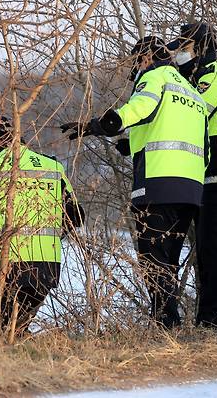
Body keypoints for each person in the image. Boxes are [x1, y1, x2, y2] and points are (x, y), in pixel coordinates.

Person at [61, 36, 208, 328]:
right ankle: (169, 319)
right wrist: (124, 141)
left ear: (146, 58)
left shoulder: (154, 78)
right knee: (169, 257)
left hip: (158, 182)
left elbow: (140, 108)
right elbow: (170, 129)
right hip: (191, 186)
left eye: (136, 62)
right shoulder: (192, 92)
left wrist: (101, 124)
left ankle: (165, 322)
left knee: (151, 256)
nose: (135, 68)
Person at [167, 23, 217, 327]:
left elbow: (192, 111)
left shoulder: (213, 76)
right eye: (177, 51)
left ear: (200, 48)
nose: (179, 56)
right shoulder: (198, 76)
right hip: (210, 178)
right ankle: (211, 317)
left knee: (213, 247)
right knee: (206, 249)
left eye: (184, 49)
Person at [0, 115, 84, 335]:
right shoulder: (52, 166)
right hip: (47, 265)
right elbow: (76, 216)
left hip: (5, 262)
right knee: (16, 328)